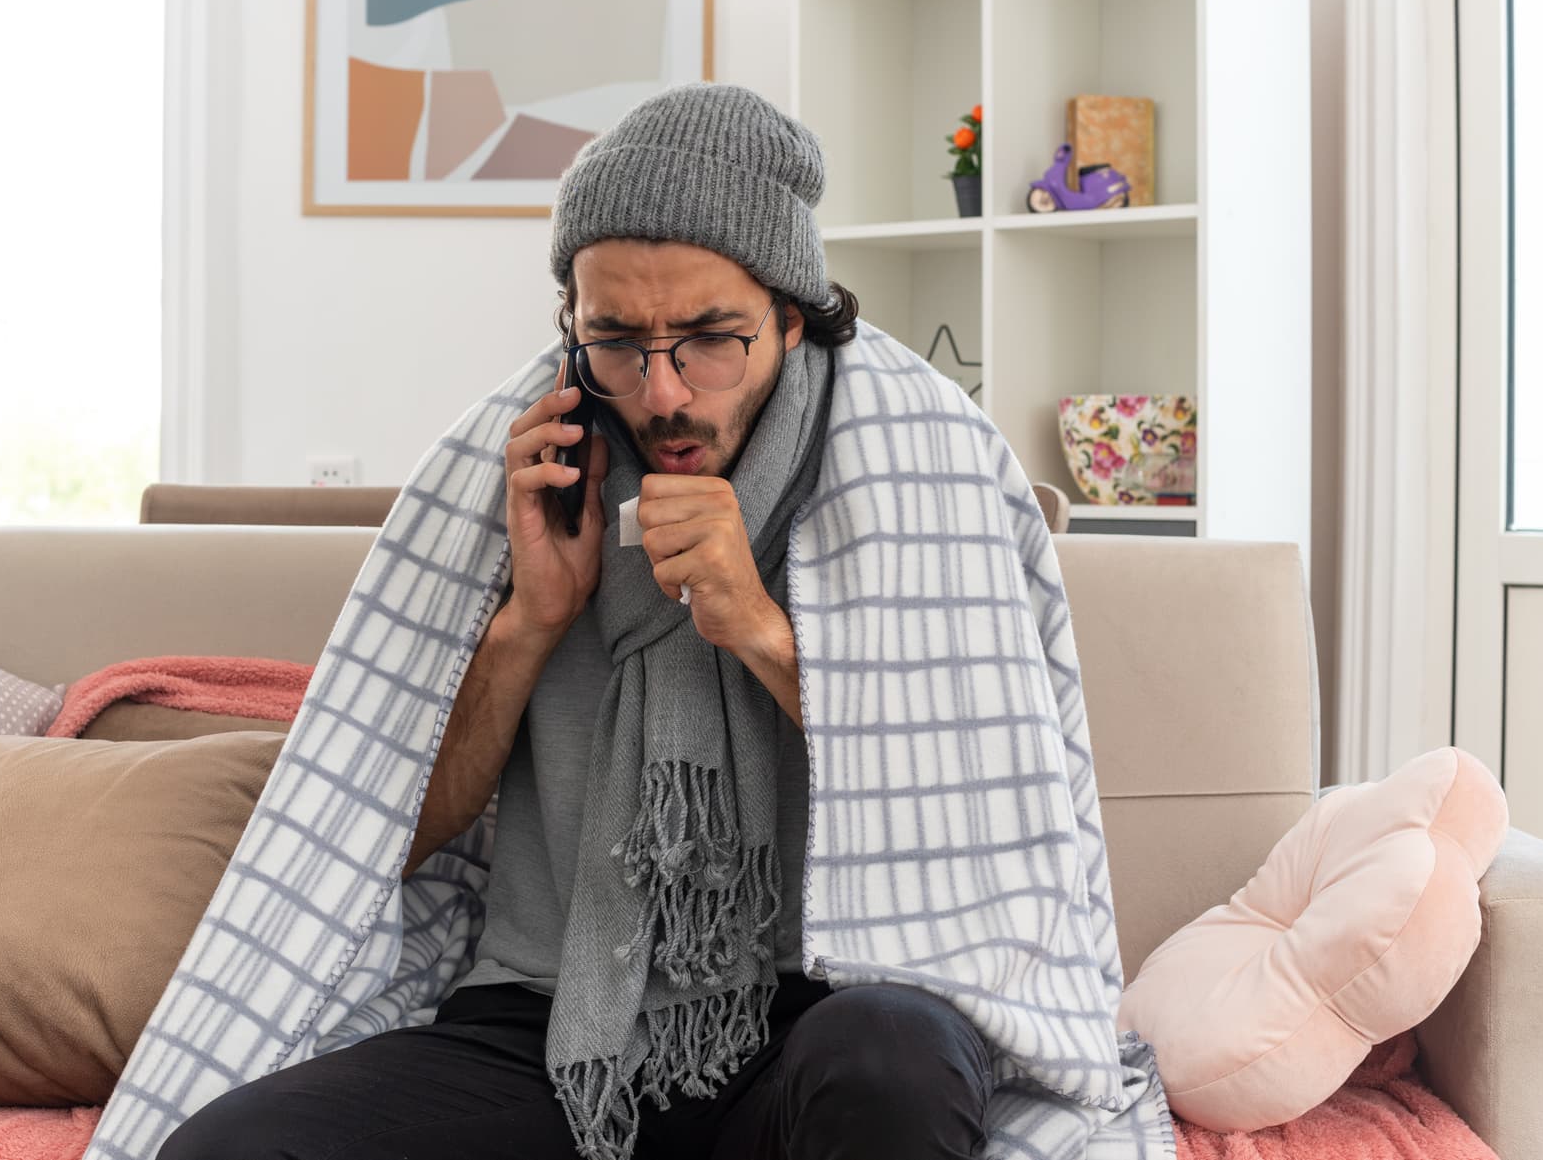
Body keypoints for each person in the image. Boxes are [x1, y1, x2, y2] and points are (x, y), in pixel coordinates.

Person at [158, 83, 994, 1159]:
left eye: (708, 339)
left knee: (898, 1060)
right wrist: (530, 622)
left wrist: (760, 628)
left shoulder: (900, 481)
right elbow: (390, 833)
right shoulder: (528, 478)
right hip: (552, 1025)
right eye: (616, 341)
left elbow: (961, 824)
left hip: (807, 1018)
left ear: (792, 316)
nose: (660, 395)